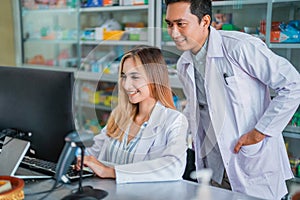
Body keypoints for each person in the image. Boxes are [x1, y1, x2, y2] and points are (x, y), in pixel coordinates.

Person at [164, 0, 300, 199]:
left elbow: (293, 84)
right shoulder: (184, 63)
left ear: (205, 21)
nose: (173, 32)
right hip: (214, 168)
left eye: (181, 24)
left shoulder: (239, 47)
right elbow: (198, 107)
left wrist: (260, 132)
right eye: (169, 24)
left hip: (250, 162)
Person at [76, 45, 189, 184]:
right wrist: (79, 158)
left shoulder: (174, 120)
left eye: (135, 77)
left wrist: (110, 172)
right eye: (124, 76)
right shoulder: (119, 115)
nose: (126, 85)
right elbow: (94, 152)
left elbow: (173, 166)